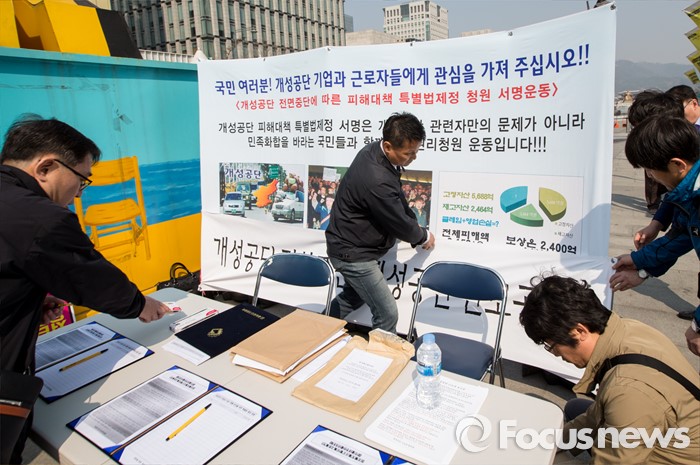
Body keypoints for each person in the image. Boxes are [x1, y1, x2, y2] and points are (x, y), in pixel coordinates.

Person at [0, 117, 172, 464]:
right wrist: (141, 304)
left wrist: (26, 298)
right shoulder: (39, 216)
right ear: (46, 167)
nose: (79, 192)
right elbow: (94, 280)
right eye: (81, 180)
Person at [520, 275, 699, 464]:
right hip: (672, 429)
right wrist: (548, 444)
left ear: (579, 331)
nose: (555, 354)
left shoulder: (627, 391)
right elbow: (596, 414)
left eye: (551, 345)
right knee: (576, 409)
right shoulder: (626, 329)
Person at [325, 112, 435, 333]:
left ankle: (316, 331)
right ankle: (379, 355)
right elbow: (398, 222)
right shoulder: (377, 178)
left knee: (353, 297)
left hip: (348, 244)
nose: (413, 157)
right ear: (388, 146)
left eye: (416, 151)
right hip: (353, 253)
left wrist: (413, 223)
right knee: (387, 313)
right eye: (408, 153)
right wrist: (422, 236)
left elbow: (396, 199)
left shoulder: (373, 151)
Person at [609, 115, 700, 356]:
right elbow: (681, 235)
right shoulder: (690, 193)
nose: (649, 176)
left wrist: (698, 326)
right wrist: (639, 262)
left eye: (650, 169)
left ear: (678, 165)